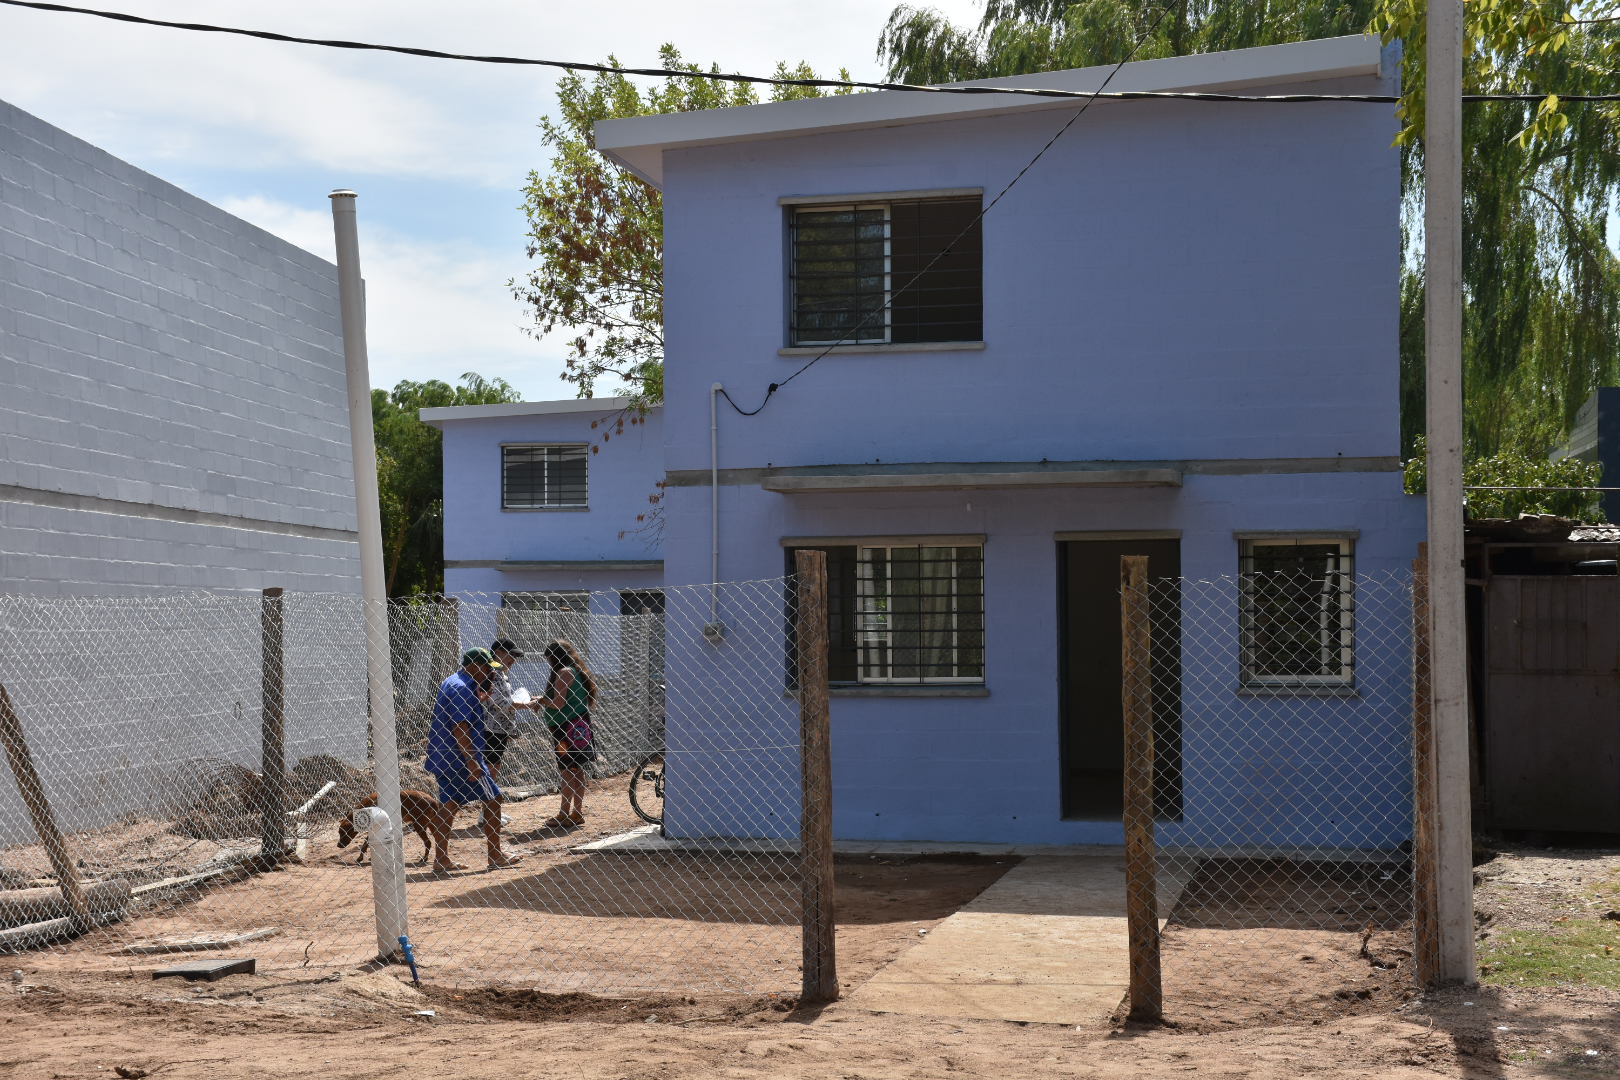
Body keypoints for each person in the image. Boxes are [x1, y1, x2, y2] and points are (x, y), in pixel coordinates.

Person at [423, 647, 522, 872]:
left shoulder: (454, 682)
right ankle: (495, 856)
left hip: (444, 757)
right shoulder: (462, 690)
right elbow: (460, 727)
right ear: (476, 666)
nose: (492, 673)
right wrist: (472, 761)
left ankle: (441, 859)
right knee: (494, 799)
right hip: (461, 759)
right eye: (488, 668)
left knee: (450, 804)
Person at [536, 639, 598, 828]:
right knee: (576, 769)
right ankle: (576, 813)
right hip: (578, 727)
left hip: (566, 730)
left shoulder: (564, 673)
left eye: (549, 660)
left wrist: (540, 699)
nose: (549, 665)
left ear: (555, 658)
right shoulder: (576, 670)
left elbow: (558, 703)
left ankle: (564, 814)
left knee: (567, 770)